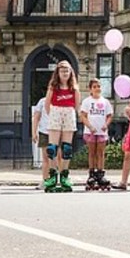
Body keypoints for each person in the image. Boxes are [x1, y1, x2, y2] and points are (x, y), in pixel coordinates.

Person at [42, 60, 80, 192]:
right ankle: (52, 175)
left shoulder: (74, 88)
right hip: (56, 112)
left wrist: (69, 113)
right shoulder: (53, 87)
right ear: (57, 73)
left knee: (67, 148)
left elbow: (76, 105)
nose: (65, 73)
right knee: (52, 147)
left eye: (67, 71)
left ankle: (64, 175)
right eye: (62, 71)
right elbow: (47, 104)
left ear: (71, 73)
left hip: (68, 113)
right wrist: (53, 114)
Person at [79, 78, 113, 190]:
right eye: (94, 87)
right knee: (92, 152)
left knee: (100, 152)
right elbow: (83, 115)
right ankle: (91, 174)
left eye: (99, 86)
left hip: (101, 131)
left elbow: (109, 115)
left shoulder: (105, 101)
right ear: (90, 89)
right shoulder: (87, 101)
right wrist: (89, 126)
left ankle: (100, 173)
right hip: (91, 131)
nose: (97, 89)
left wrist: (106, 125)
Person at [31, 97, 51, 189]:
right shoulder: (42, 101)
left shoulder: (60, 100)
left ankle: (58, 179)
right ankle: (45, 180)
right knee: (46, 158)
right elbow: (36, 117)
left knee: (59, 157)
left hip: (58, 131)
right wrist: (34, 132)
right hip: (45, 132)